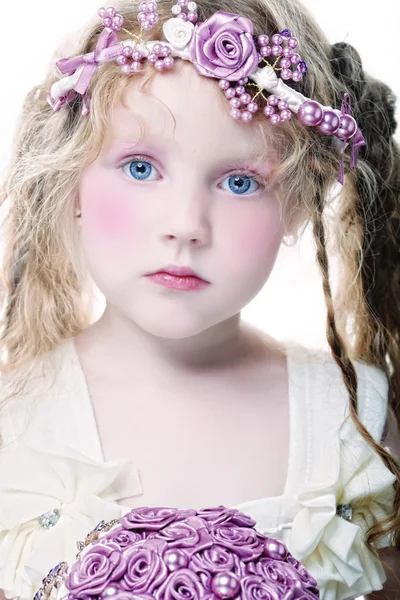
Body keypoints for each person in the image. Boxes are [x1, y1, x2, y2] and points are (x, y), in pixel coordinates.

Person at [0, 0, 399, 598]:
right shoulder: (17, 425)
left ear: (297, 204)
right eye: (140, 167)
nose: (186, 225)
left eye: (240, 182)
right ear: (71, 177)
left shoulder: (353, 430)